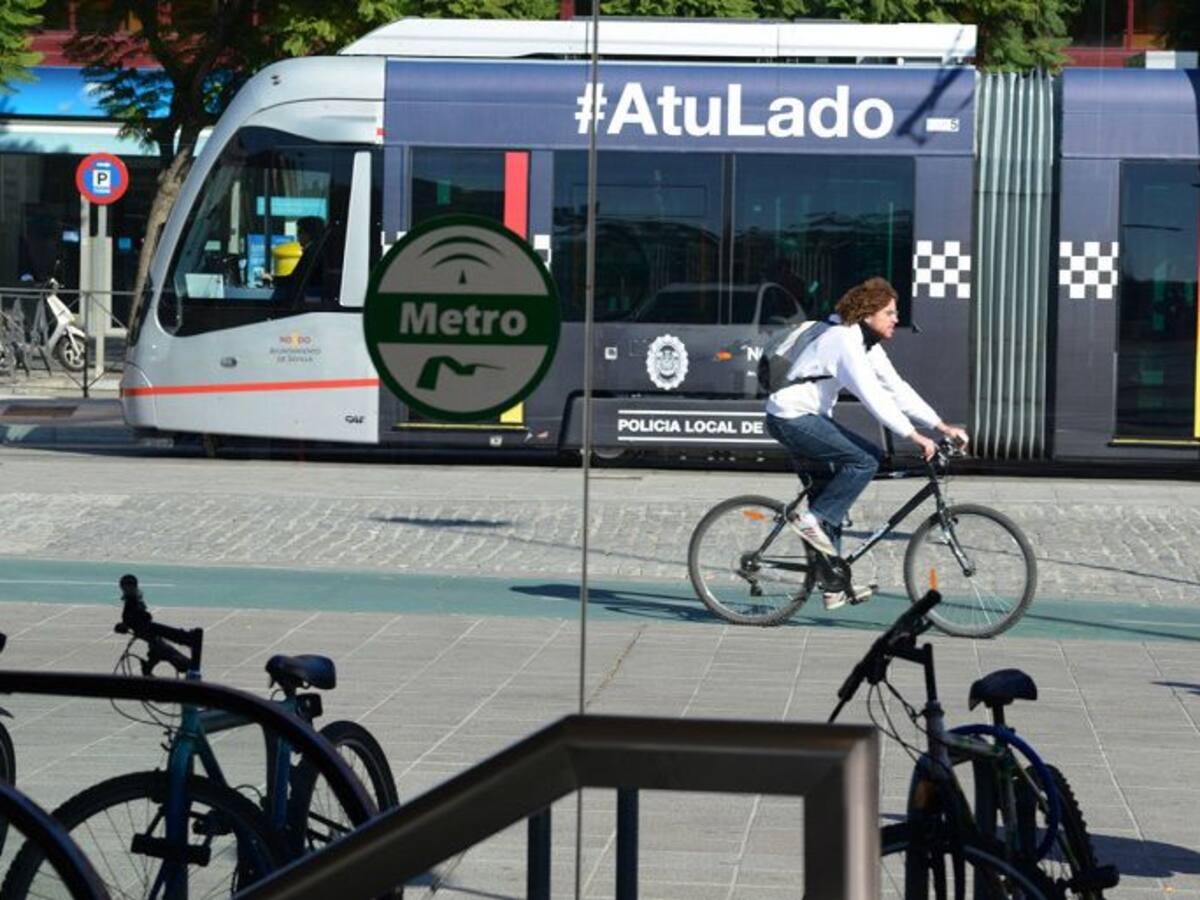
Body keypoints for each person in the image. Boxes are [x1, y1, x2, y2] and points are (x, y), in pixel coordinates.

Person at [765, 277, 969, 610]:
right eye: (889, 312)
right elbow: (872, 396)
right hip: (791, 418)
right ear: (867, 314)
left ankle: (832, 585)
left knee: (830, 500)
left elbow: (895, 388)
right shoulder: (844, 341)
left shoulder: (864, 344)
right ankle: (811, 522)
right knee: (865, 460)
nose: (896, 319)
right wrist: (913, 435)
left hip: (807, 417)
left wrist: (939, 425)